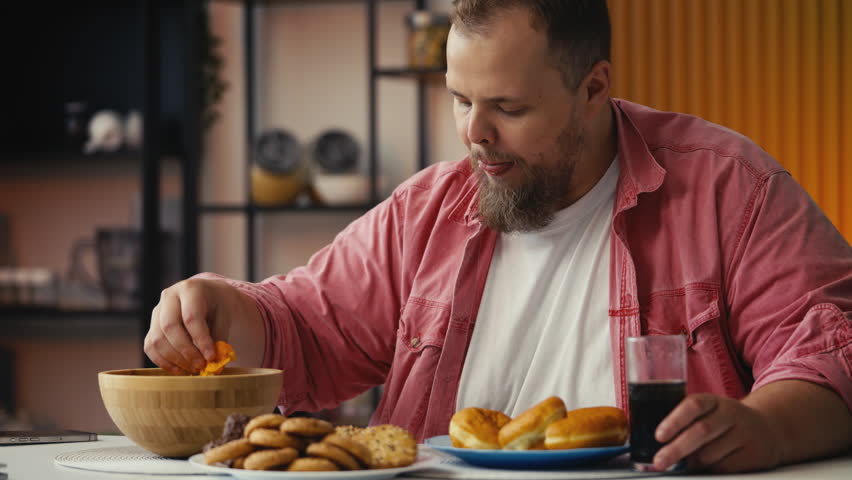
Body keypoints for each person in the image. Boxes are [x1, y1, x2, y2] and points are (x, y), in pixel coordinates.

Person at [144, 0, 852, 473]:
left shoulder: (729, 187)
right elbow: (301, 325)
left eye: (507, 108)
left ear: (594, 89)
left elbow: (830, 346)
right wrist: (219, 308)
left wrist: (770, 428)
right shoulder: (429, 210)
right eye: (459, 98)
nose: (474, 135)